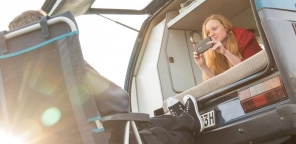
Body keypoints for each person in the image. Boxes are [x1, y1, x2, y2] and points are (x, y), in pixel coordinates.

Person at [6, 10, 204, 144]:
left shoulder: (9, 90)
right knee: (151, 133)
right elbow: (118, 102)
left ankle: (183, 118)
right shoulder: (64, 66)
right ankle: (186, 121)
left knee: (142, 125)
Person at [194, 14, 262, 80]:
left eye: (214, 29)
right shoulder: (214, 51)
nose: (211, 34)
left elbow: (251, 69)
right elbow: (218, 84)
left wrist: (225, 52)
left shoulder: (245, 37)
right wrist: (202, 65)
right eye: (208, 32)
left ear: (226, 27)